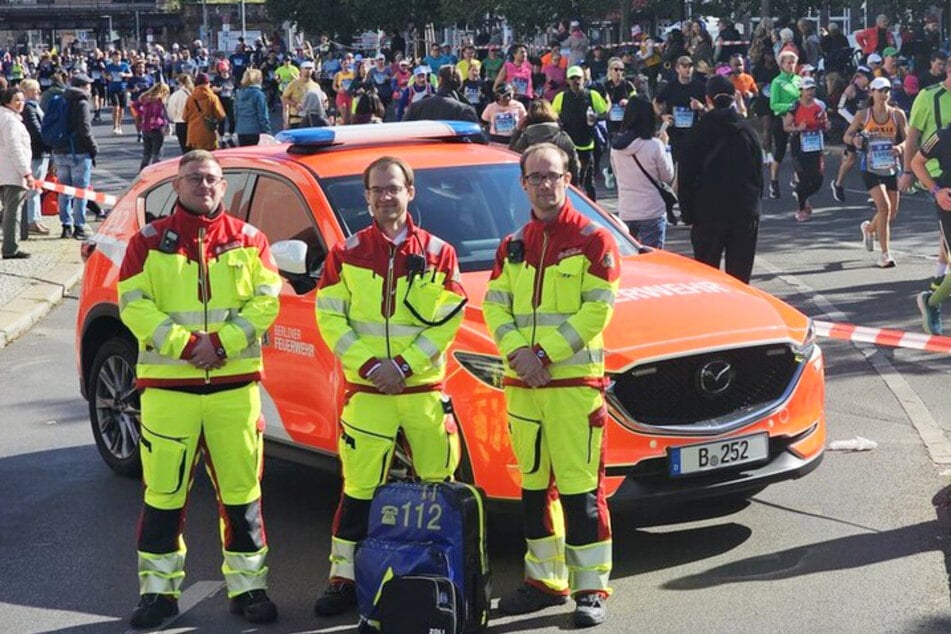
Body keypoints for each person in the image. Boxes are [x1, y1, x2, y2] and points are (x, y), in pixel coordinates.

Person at [117, 150, 281, 629]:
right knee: (163, 496)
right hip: (170, 391)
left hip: (234, 390)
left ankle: (249, 588)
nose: (203, 186)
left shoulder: (251, 240)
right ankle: (157, 594)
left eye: (211, 179)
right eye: (194, 179)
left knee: (242, 495)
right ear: (178, 184)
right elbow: (133, 304)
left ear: (223, 186)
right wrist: (190, 347)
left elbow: (266, 302)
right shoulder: (147, 242)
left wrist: (224, 345)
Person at [312, 156, 466, 617]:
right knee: (358, 491)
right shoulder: (347, 253)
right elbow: (329, 318)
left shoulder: (440, 253)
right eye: (377, 190)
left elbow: (448, 321)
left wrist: (402, 364)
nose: (385, 196)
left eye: (393, 188)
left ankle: (446, 575)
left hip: (421, 392)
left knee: (439, 489)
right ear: (367, 197)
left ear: (410, 192)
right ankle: (343, 578)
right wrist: (371, 366)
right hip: (369, 394)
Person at [483, 142, 619, 628]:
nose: (544, 184)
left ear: (568, 179)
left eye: (552, 175)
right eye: (535, 177)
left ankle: (590, 589)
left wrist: (541, 355)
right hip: (525, 390)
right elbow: (494, 306)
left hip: (573, 388)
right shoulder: (512, 243)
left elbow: (596, 309)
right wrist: (520, 354)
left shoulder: (594, 240)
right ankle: (544, 581)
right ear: (523, 184)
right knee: (534, 490)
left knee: (583, 492)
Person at [679, 75, 763, 283]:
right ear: (733, 97)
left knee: (708, 277)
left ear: (707, 99)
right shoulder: (747, 130)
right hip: (744, 210)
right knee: (740, 277)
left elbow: (686, 177)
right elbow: (758, 172)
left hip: (707, 212)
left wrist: (687, 215)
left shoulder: (698, 131)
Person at [843, 76, 907, 268]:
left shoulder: (897, 115)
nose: (884, 95)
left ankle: (869, 229)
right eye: (880, 91)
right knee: (884, 207)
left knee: (891, 212)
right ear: (871, 92)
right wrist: (854, 141)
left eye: (887, 91)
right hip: (870, 167)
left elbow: (908, 139)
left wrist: (900, 149)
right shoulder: (863, 115)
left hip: (890, 167)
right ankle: (885, 254)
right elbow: (847, 135)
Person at [901, 57, 951, 291]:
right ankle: (940, 281)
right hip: (936, 171)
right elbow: (912, 136)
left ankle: (941, 275)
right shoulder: (929, 96)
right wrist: (908, 171)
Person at [610, 96, 673, 249]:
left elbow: (618, 175)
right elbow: (667, 175)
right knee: (652, 261)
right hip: (652, 211)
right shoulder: (655, 145)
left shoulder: (616, 147)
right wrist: (666, 148)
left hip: (626, 209)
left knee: (629, 258)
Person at [52, 74, 98, 240]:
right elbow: (85, 129)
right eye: (89, 85)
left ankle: (65, 225)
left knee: (64, 189)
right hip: (78, 150)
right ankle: (79, 225)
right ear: (84, 86)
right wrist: (93, 149)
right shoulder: (82, 102)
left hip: (59, 149)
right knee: (80, 191)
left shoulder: (60, 99)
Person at [552, 65, 608, 201]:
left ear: (583, 78)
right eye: (572, 78)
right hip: (567, 145)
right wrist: (558, 121)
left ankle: (592, 206)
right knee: (569, 179)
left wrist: (596, 118)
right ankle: (569, 205)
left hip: (587, 144)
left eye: (578, 77)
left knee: (589, 180)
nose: (576, 81)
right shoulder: (561, 97)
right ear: (567, 80)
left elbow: (605, 113)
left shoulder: (592, 95)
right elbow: (552, 114)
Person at [653, 55, 706, 190]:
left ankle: (677, 195)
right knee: (678, 163)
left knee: (689, 163)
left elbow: (710, 107)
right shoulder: (671, 87)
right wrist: (662, 116)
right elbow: (656, 102)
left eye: (690, 66)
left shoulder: (699, 87)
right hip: (675, 132)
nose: (688, 69)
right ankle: (675, 195)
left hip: (693, 131)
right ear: (677, 68)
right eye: (684, 66)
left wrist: (700, 107)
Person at [783, 76, 830, 222]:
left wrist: (827, 126)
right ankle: (802, 209)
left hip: (816, 145)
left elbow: (824, 122)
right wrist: (798, 128)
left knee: (817, 180)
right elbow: (786, 127)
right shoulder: (794, 106)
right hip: (800, 145)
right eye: (807, 89)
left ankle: (800, 193)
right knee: (804, 178)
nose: (810, 92)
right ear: (801, 91)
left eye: (812, 89)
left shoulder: (820, 105)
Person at [509, 98, 580, 182]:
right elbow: (574, 159)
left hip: (533, 179)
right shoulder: (560, 134)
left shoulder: (526, 136)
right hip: (557, 178)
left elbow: (512, 152)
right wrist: (575, 180)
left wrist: (518, 129)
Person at [0, 87, 34, 259]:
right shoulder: (11, 122)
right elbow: (15, 149)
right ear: (7, 102)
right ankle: (10, 248)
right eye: (17, 100)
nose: (21, 103)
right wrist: (26, 173)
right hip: (12, 171)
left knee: (6, 210)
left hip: (4, 169)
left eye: (22, 99)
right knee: (12, 211)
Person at [830, 68, 872, 202]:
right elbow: (840, 108)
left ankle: (874, 192)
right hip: (852, 126)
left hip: (867, 127)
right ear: (860, 76)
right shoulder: (851, 89)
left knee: (871, 156)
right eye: (867, 77)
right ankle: (838, 184)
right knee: (851, 158)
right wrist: (855, 122)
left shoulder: (869, 90)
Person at [767, 51, 802, 199]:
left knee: (798, 152)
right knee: (780, 152)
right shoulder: (777, 82)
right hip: (781, 119)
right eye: (788, 62)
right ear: (781, 64)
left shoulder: (799, 80)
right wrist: (790, 106)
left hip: (797, 120)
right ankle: (774, 182)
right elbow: (774, 104)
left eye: (793, 62)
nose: (791, 65)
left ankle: (797, 181)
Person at [600, 58, 637, 190]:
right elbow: (600, 102)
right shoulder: (604, 86)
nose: (619, 72)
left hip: (625, 121)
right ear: (610, 71)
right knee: (615, 148)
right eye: (616, 69)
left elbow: (636, 100)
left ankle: (612, 172)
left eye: (621, 70)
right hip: (611, 122)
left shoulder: (628, 85)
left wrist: (628, 103)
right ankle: (612, 172)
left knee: (625, 148)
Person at [19, 79, 50, 236]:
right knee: (33, 190)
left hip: (41, 152)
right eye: (35, 90)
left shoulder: (34, 106)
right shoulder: (28, 108)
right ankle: (32, 220)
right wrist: (50, 143)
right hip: (37, 152)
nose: (38, 92)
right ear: (27, 92)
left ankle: (36, 219)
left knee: (37, 189)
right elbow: (36, 131)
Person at [403, 64, 478, 123]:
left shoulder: (416, 107)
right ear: (459, 83)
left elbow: (405, 132)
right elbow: (478, 139)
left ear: (440, 80)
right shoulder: (466, 111)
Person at [183, 72, 225, 151]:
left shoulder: (190, 98)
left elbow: (184, 117)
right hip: (209, 133)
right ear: (207, 83)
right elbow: (221, 115)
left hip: (193, 134)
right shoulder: (213, 98)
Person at [135, 83, 171, 171]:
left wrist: (141, 114)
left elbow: (135, 105)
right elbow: (161, 113)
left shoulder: (145, 97)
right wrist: (166, 123)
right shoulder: (159, 100)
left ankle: (142, 171)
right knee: (157, 153)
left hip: (145, 127)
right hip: (156, 127)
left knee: (146, 152)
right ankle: (155, 173)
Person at [234, 68, 271, 146]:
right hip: (255, 130)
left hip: (241, 129)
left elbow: (236, 112)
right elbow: (263, 114)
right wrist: (267, 131)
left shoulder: (239, 93)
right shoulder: (258, 94)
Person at [281, 60, 319, 129]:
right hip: (296, 120)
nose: (308, 70)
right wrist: (295, 104)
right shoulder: (294, 83)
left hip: (311, 120)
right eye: (306, 68)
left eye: (310, 68)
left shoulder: (315, 85)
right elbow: (284, 98)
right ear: (301, 70)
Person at [105, 50, 132, 134]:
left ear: (120, 57)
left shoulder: (125, 65)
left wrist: (125, 75)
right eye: (114, 56)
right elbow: (104, 74)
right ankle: (115, 125)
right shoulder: (109, 66)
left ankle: (119, 125)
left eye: (118, 56)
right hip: (113, 88)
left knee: (121, 108)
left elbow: (131, 74)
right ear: (112, 57)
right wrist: (107, 77)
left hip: (122, 88)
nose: (116, 57)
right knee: (115, 107)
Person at [167, 74, 193, 154]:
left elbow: (170, 111)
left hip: (180, 122)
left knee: (185, 150)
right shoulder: (193, 93)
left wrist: (174, 118)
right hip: (193, 123)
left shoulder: (175, 95)